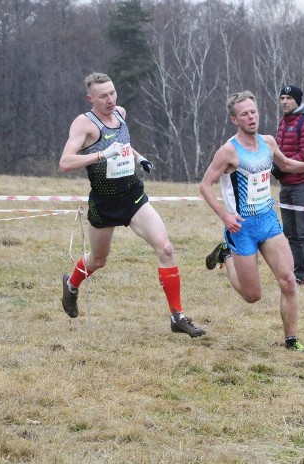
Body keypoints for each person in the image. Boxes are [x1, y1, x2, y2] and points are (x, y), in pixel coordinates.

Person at [59, 72, 205, 337]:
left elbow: (123, 144)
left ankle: (177, 316)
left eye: (112, 93)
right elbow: (65, 162)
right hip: (104, 202)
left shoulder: (121, 114)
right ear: (90, 98)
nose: (110, 100)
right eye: (103, 96)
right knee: (99, 260)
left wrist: (140, 158)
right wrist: (101, 154)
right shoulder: (84, 124)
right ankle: (71, 284)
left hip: (132, 196)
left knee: (166, 248)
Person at [199, 91, 304, 351]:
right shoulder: (228, 151)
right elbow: (205, 186)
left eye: (254, 111)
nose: (251, 117)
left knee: (289, 280)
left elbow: (287, 165)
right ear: (234, 120)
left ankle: (291, 340)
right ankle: (226, 254)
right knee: (252, 296)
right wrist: (225, 215)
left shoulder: (268, 142)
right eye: (244, 114)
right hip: (242, 227)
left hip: (268, 220)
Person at [275, 84, 304, 286]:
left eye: (289, 98)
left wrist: (282, 167)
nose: (284, 101)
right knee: (290, 232)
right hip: (286, 185)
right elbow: (277, 150)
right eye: (282, 98)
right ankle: (299, 273)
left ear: (298, 100)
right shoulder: (283, 123)